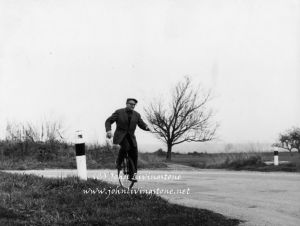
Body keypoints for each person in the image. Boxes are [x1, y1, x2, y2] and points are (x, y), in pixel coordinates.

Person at [105, 98, 150, 182]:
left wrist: (146, 127)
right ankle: (118, 162)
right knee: (126, 147)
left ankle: (132, 176)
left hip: (131, 137)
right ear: (126, 104)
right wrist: (108, 130)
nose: (132, 106)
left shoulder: (137, 115)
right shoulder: (119, 112)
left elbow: (141, 124)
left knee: (134, 154)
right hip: (120, 136)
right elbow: (108, 121)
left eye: (134, 105)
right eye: (131, 104)